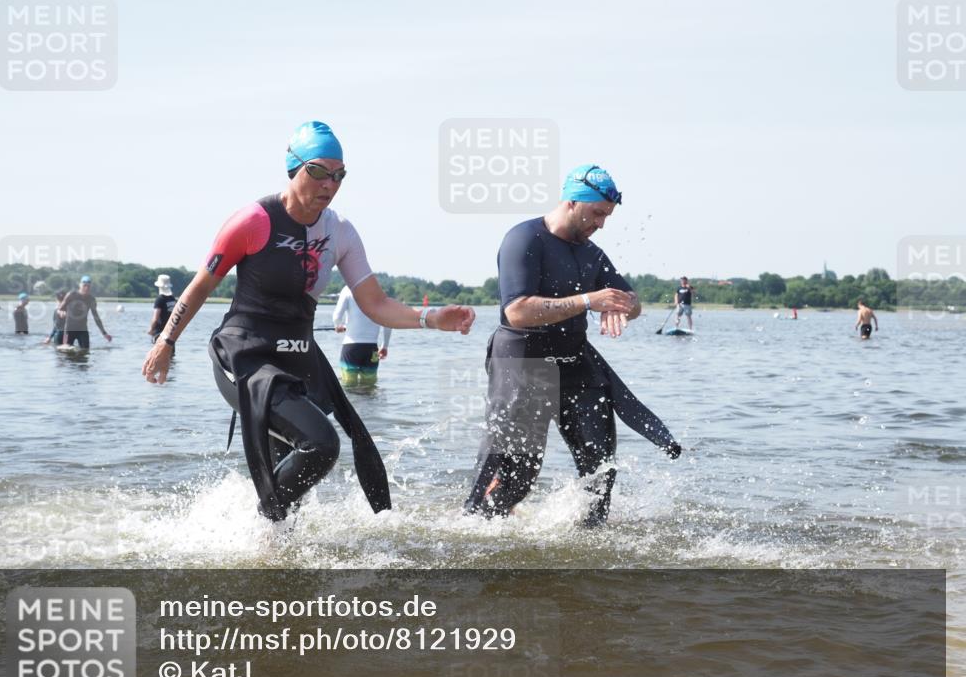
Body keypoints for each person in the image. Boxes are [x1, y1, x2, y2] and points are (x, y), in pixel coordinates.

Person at [141, 121, 475, 521]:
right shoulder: (252, 221)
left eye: (339, 175)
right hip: (244, 359)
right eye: (318, 171)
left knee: (294, 487)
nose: (329, 184)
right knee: (320, 445)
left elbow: (375, 303)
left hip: (297, 361)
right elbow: (200, 286)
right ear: (293, 168)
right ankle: (251, 531)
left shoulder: (340, 232)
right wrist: (166, 341)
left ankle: (271, 558)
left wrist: (431, 318)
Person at [463, 164, 681, 528]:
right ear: (572, 202)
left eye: (607, 216)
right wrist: (587, 302)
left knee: (601, 469)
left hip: (575, 362)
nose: (601, 224)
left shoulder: (591, 253)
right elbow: (516, 312)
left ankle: (590, 549)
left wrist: (622, 305)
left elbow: (633, 300)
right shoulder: (525, 239)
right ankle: (477, 527)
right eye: (597, 213)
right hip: (523, 361)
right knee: (518, 476)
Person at [332, 285, 392, 387]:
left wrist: (338, 326)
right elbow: (388, 323)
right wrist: (385, 346)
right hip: (372, 349)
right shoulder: (378, 291)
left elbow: (337, 316)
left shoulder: (348, 289)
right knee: (369, 387)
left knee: (349, 386)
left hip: (351, 347)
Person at [59, 276, 112, 349]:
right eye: (84, 286)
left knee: (86, 352)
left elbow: (96, 317)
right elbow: (60, 308)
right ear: (80, 285)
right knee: (66, 351)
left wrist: (104, 333)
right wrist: (61, 312)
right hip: (69, 329)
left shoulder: (91, 299)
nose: (86, 288)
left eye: (88, 286)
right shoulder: (71, 295)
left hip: (83, 330)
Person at [147, 274, 178, 354]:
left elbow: (156, 318)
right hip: (171, 334)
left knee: (158, 357)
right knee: (170, 358)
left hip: (160, 334)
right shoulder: (172, 299)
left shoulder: (160, 299)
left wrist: (151, 329)